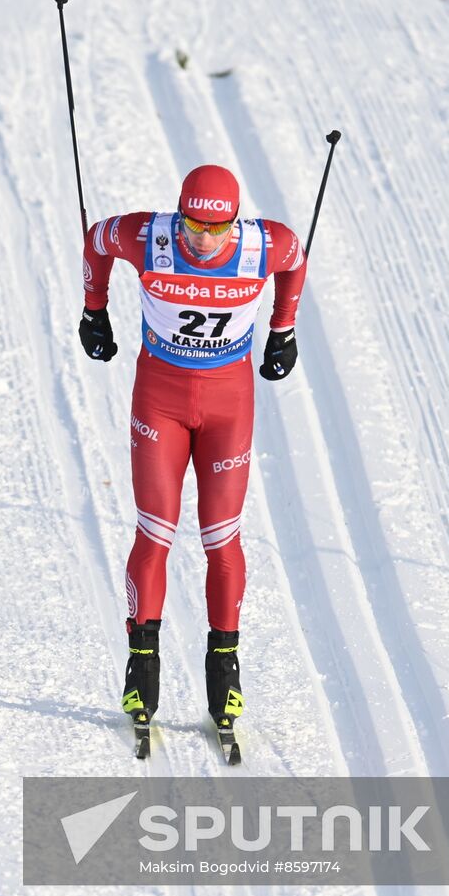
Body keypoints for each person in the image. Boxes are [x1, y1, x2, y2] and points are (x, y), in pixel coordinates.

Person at [78, 164, 306, 738]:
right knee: (155, 531)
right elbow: (96, 239)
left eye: (218, 228)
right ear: (179, 214)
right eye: (194, 226)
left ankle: (224, 666)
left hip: (229, 406)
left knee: (221, 538)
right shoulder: (149, 237)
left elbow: (297, 258)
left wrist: (283, 329)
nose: (205, 240)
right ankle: (142, 663)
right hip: (161, 400)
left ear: (236, 220)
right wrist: (94, 309)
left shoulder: (263, 244)